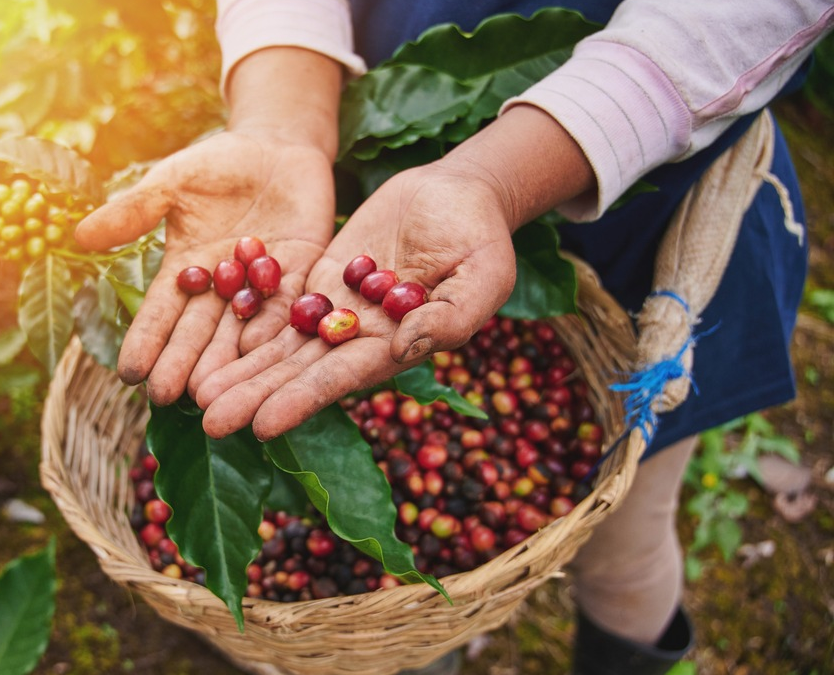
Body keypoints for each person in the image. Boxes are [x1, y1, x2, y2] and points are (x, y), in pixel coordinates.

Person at [75, 1, 833, 673]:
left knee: (625, 551)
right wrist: (283, 120)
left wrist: (496, 180)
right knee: (407, 586)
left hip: (652, 179)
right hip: (390, 157)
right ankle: (421, 638)